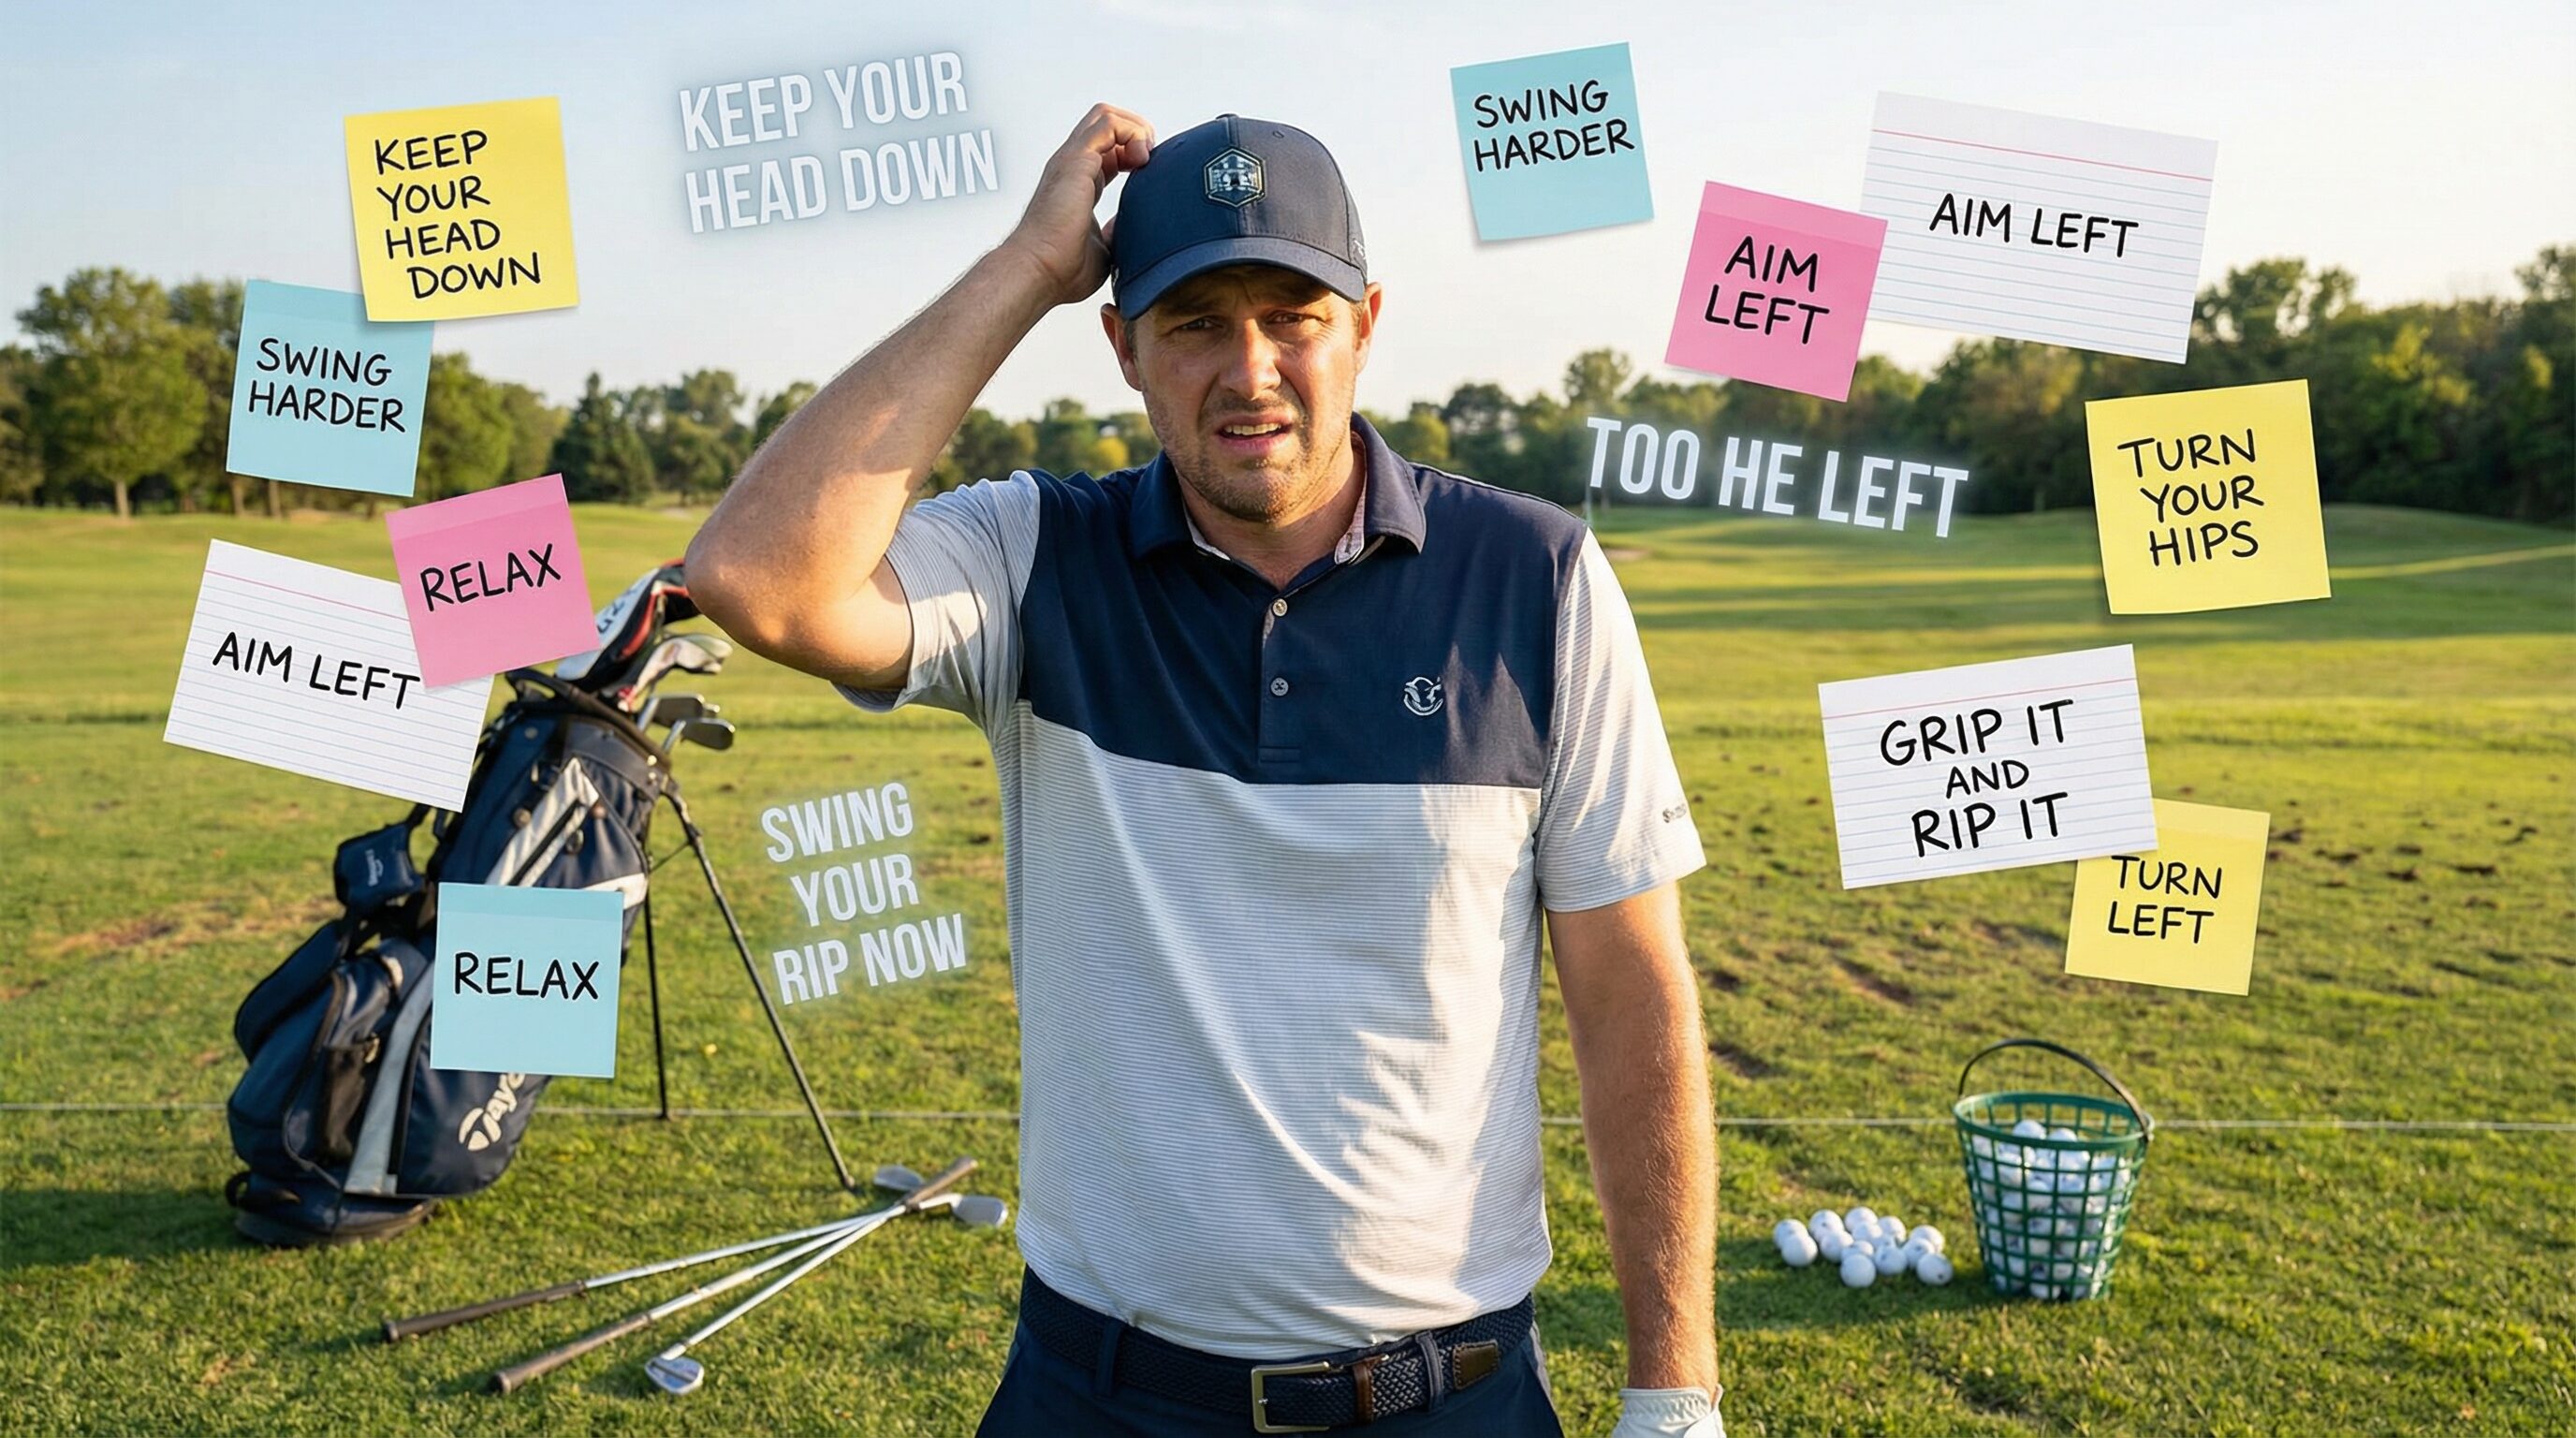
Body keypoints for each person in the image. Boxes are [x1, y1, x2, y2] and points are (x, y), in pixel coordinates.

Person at [687, 104, 1721, 1438]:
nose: (1249, 370)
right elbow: (753, 577)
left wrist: (1673, 1393)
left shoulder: (1537, 578)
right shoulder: (1033, 557)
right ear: (1120, 345)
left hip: (1446, 1397)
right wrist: (1024, 269)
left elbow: (1631, 988)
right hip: (1102, 1395)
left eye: (1292, 314)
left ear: (1364, 324)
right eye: (1191, 322)